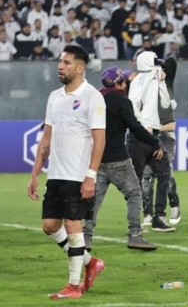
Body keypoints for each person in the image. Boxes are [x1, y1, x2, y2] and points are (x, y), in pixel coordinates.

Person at [26, 45, 106, 299]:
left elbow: (99, 139)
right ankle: (91, 263)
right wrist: (35, 174)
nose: (60, 66)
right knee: (50, 226)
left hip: (78, 175)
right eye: (60, 61)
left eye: (67, 62)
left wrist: (91, 175)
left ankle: (73, 286)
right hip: (56, 175)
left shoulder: (92, 96)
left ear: (80, 68)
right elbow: (47, 138)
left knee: (73, 226)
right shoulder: (54, 97)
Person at [83, 67, 160, 252]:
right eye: (124, 82)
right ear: (118, 84)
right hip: (118, 159)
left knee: (93, 200)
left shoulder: (94, 96)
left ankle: (85, 238)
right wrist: (154, 142)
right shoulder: (120, 99)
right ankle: (135, 235)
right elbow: (134, 126)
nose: (126, 85)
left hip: (96, 159)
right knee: (134, 193)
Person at [128, 51, 174, 232]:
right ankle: (135, 223)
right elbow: (133, 104)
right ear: (147, 62)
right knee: (136, 180)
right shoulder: (139, 79)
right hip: (139, 135)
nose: (158, 64)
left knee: (164, 172)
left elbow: (165, 103)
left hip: (153, 136)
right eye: (155, 61)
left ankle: (158, 217)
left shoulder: (154, 78)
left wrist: (161, 82)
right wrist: (142, 125)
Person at [142, 58, 181, 225]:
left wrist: (157, 63)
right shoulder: (144, 89)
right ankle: (148, 213)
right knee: (146, 177)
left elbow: (172, 63)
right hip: (148, 137)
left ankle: (174, 205)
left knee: (166, 174)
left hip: (166, 137)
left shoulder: (166, 85)